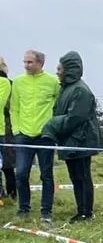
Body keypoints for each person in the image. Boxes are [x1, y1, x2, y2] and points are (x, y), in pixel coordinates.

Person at [41, 52, 103, 222]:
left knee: (82, 177)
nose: (57, 72)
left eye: (59, 69)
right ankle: (81, 210)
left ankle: (86, 213)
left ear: (69, 70)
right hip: (71, 139)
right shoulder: (67, 88)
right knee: (75, 177)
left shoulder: (80, 90)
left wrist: (52, 125)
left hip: (81, 140)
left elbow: (75, 118)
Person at [10, 49, 60, 225]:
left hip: (45, 135)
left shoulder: (53, 81)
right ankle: (23, 208)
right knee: (21, 173)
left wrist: (53, 127)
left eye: (30, 62)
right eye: (25, 62)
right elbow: (14, 107)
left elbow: (59, 105)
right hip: (23, 135)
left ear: (40, 63)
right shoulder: (17, 82)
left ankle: (46, 212)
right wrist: (16, 130)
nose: (26, 65)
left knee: (46, 174)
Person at [0, 57, 16, 203]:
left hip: (7, 125)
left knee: (7, 163)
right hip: (7, 125)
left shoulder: (7, 83)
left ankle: (11, 193)